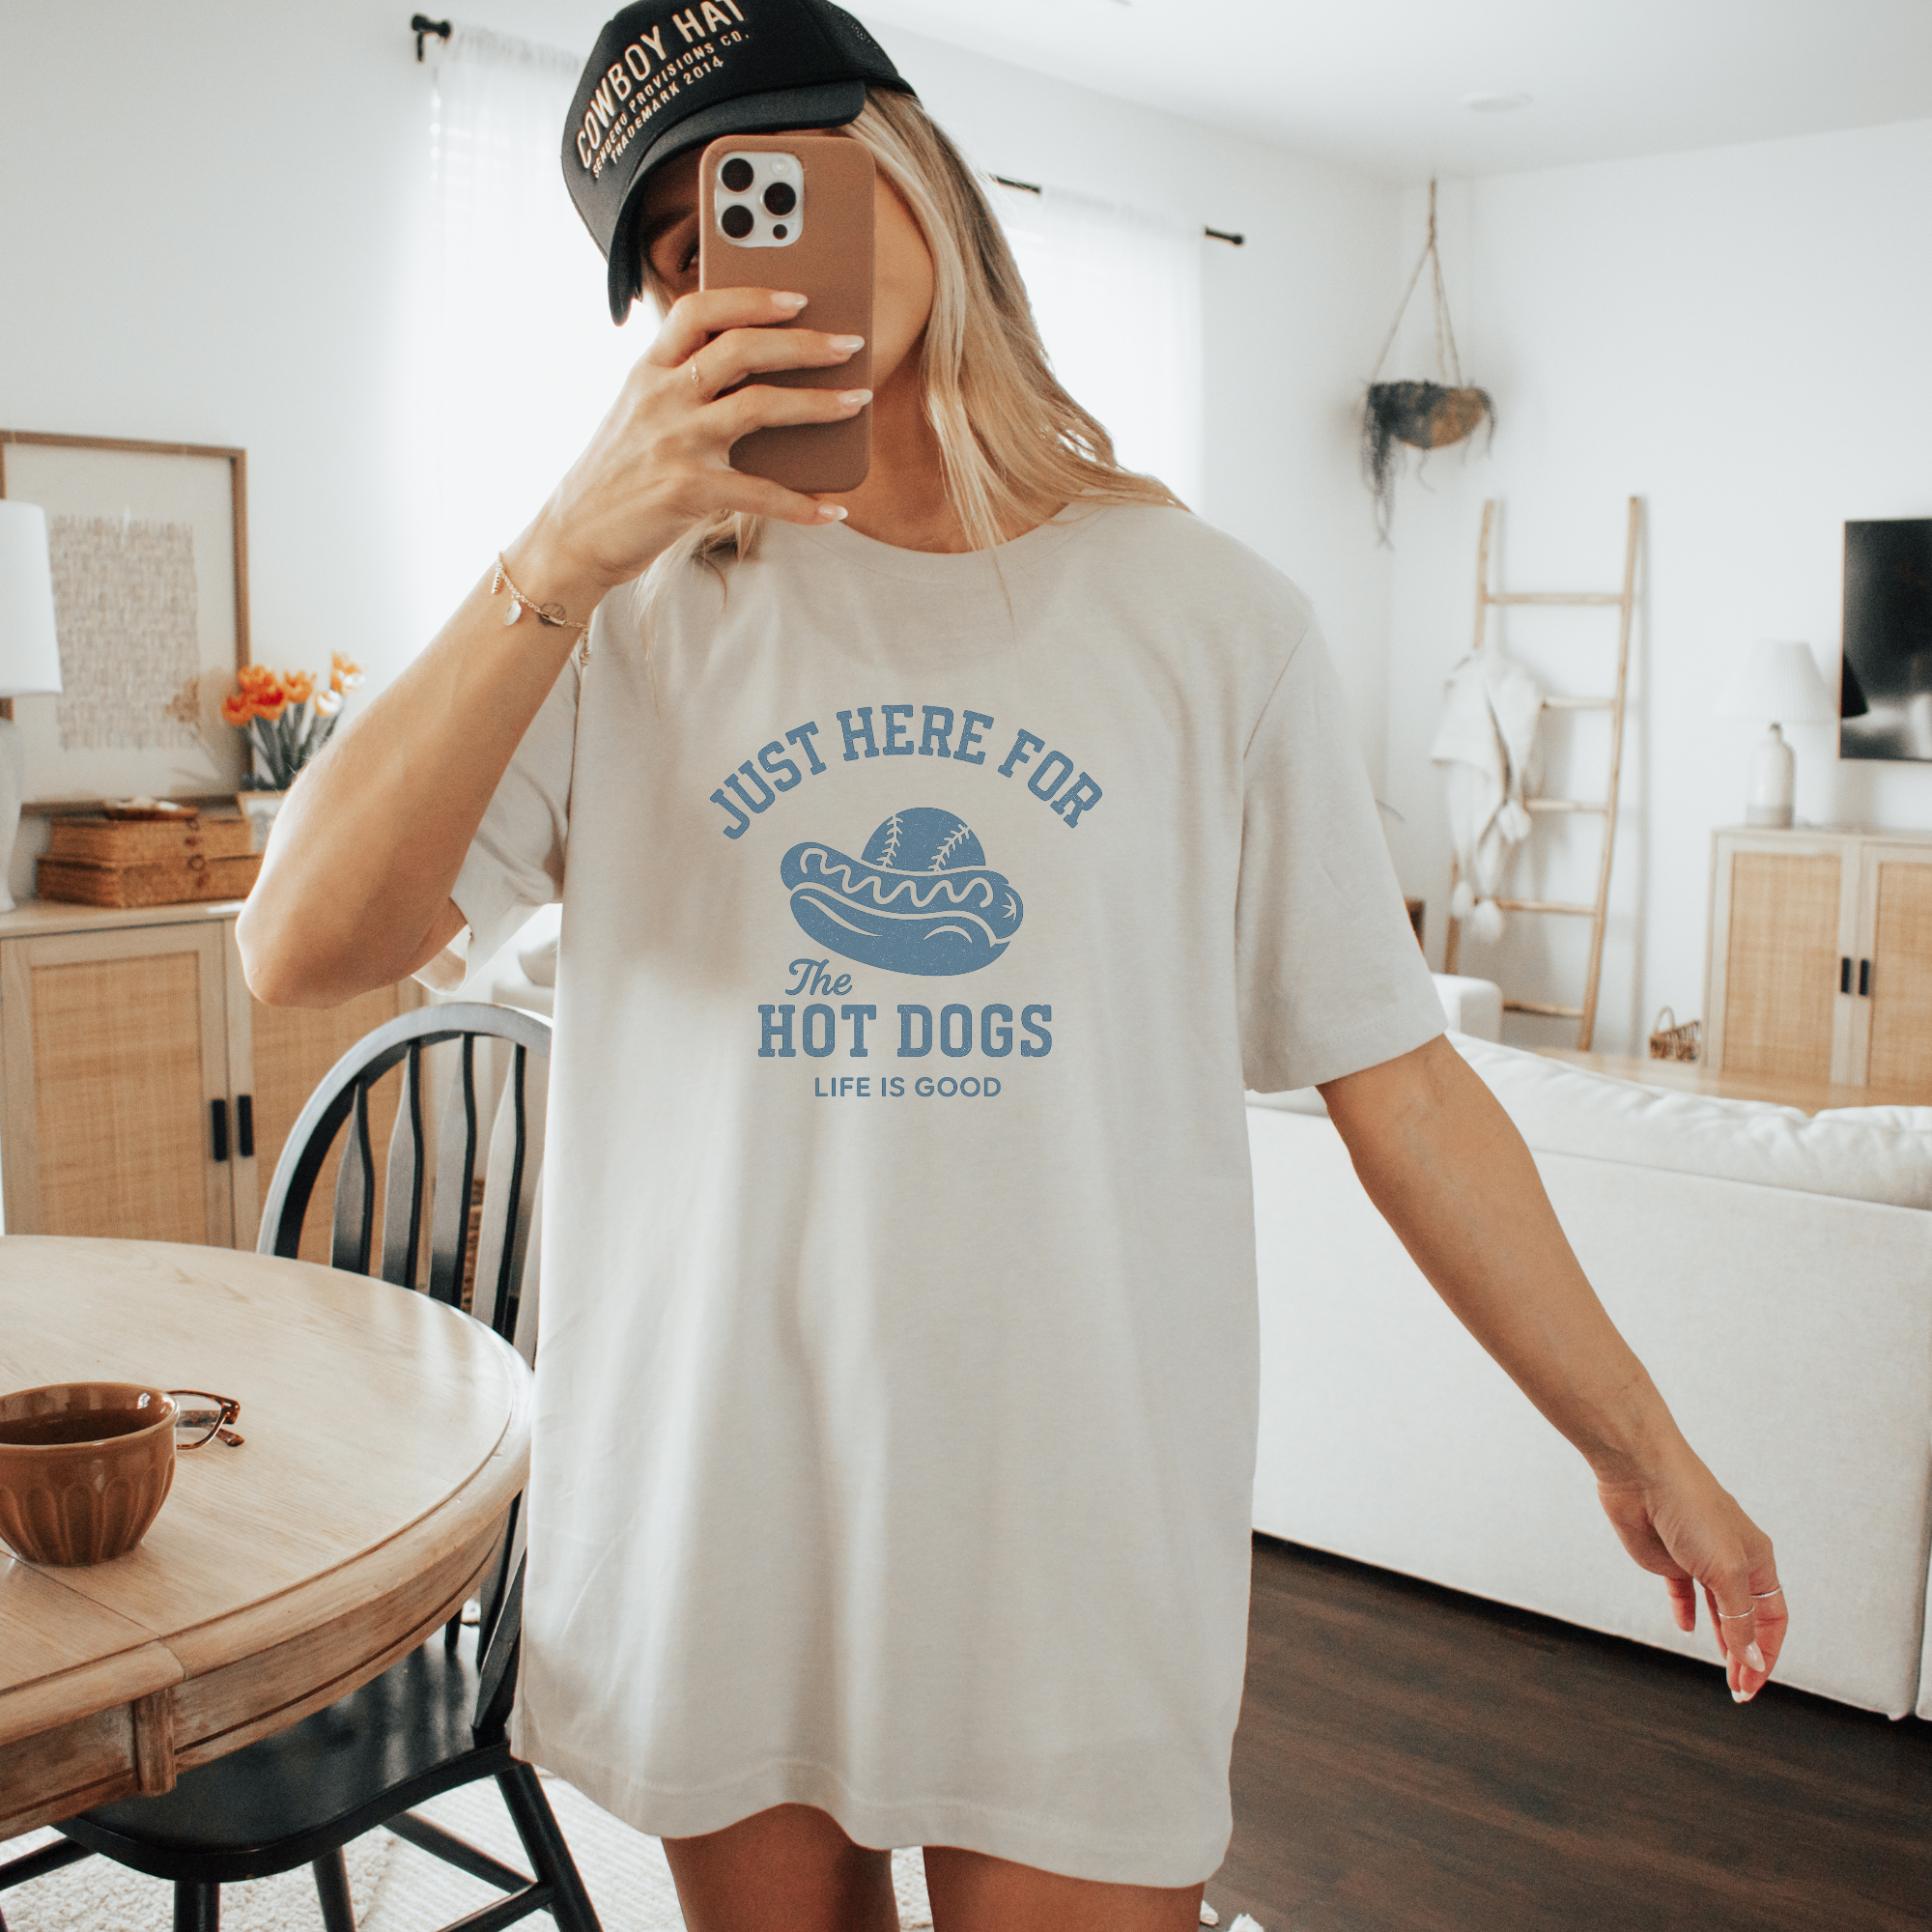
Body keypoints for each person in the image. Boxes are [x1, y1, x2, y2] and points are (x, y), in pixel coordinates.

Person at [239, 4, 1788, 1927]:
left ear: (912, 166)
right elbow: (299, 944)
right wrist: (561, 544)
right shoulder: (616, 620)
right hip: (720, 1500)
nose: (738, 259)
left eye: (770, 184)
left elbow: (1397, 1077)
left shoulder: (1212, 622)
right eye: (678, 252)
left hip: (1074, 1529)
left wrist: (1641, 1441)